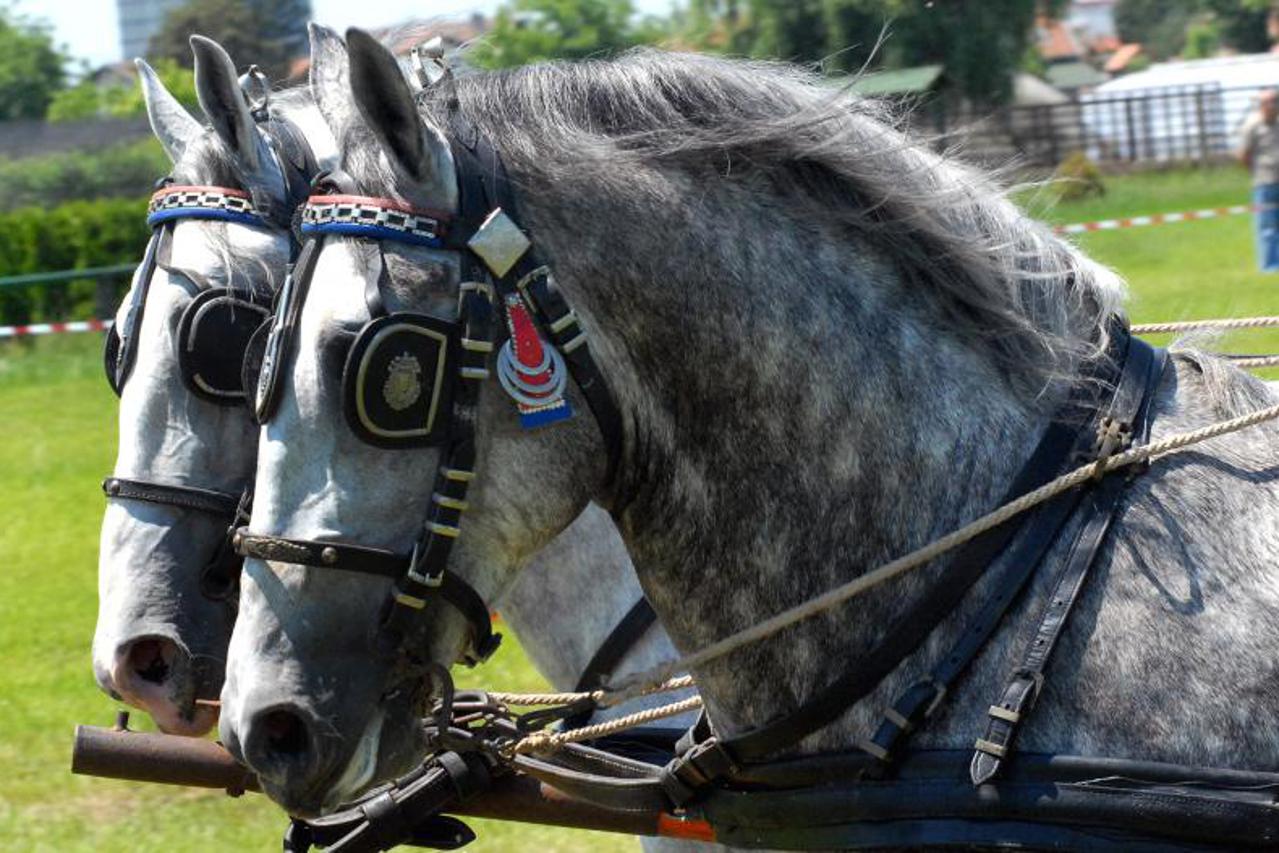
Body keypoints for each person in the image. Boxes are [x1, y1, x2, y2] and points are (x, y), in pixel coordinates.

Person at [1240, 89, 1279, 272]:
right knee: (1267, 225)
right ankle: (1270, 266)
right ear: (1261, 106)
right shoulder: (1252, 126)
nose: (1272, 106)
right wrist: (1255, 172)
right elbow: (1244, 155)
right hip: (1264, 181)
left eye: (1275, 102)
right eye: (1267, 102)